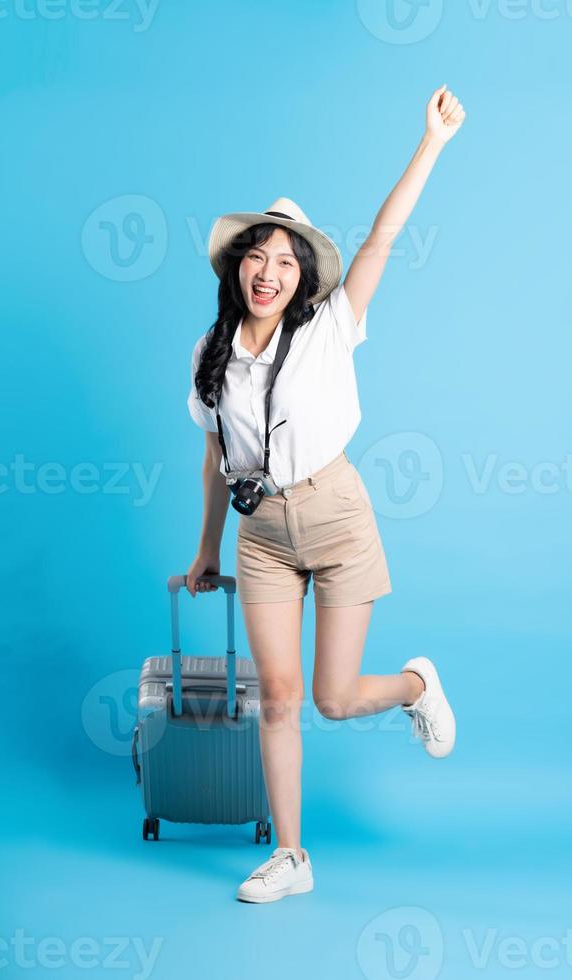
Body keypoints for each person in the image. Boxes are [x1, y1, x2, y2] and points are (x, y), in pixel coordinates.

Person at [185, 84, 466, 904]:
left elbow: (384, 234)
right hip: (261, 535)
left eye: (284, 260)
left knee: (333, 699)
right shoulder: (208, 351)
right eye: (256, 256)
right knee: (277, 697)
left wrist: (431, 143)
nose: (267, 271)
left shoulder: (331, 325)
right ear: (237, 266)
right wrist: (207, 549)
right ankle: (292, 857)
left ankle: (416, 686)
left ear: (300, 273)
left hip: (338, 517)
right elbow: (215, 459)